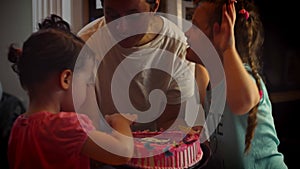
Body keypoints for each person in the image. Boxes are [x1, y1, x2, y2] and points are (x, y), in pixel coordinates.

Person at [7, 14, 137, 169]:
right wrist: (120, 121)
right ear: (66, 79)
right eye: (87, 81)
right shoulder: (66, 126)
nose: (88, 88)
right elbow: (123, 152)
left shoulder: (18, 126)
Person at [185, 0, 288, 168]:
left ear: (220, 35)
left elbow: (242, 102)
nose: (187, 32)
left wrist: (227, 49)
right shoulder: (213, 85)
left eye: (195, 27)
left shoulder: (244, 78)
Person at [77, 0, 196, 132]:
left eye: (133, 17)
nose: (122, 27)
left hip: (155, 141)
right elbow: (88, 127)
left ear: (154, 7)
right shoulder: (86, 43)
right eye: (112, 16)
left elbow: (170, 120)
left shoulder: (175, 43)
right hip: (104, 141)